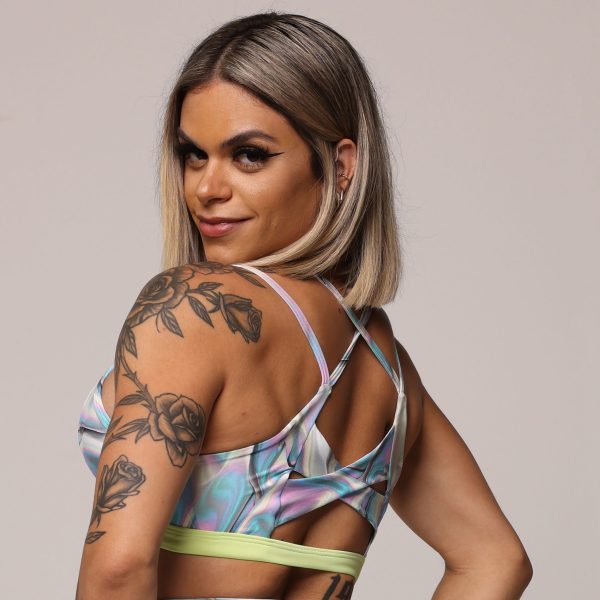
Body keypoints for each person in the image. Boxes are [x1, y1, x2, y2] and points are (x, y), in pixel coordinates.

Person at [75, 11, 532, 600]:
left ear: (341, 167)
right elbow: (494, 560)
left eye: (250, 155)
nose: (207, 188)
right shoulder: (386, 368)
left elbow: (118, 570)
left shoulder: (193, 309)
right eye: (194, 155)